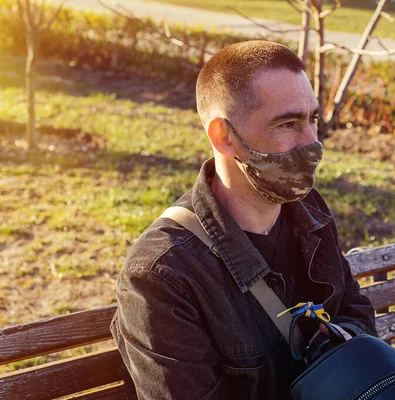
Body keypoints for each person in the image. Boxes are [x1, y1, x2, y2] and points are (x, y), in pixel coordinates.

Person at [110, 40, 377, 400]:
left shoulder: (309, 211)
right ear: (224, 137)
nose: (312, 142)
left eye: (312, 119)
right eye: (287, 123)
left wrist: (337, 346)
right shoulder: (163, 274)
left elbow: (353, 306)